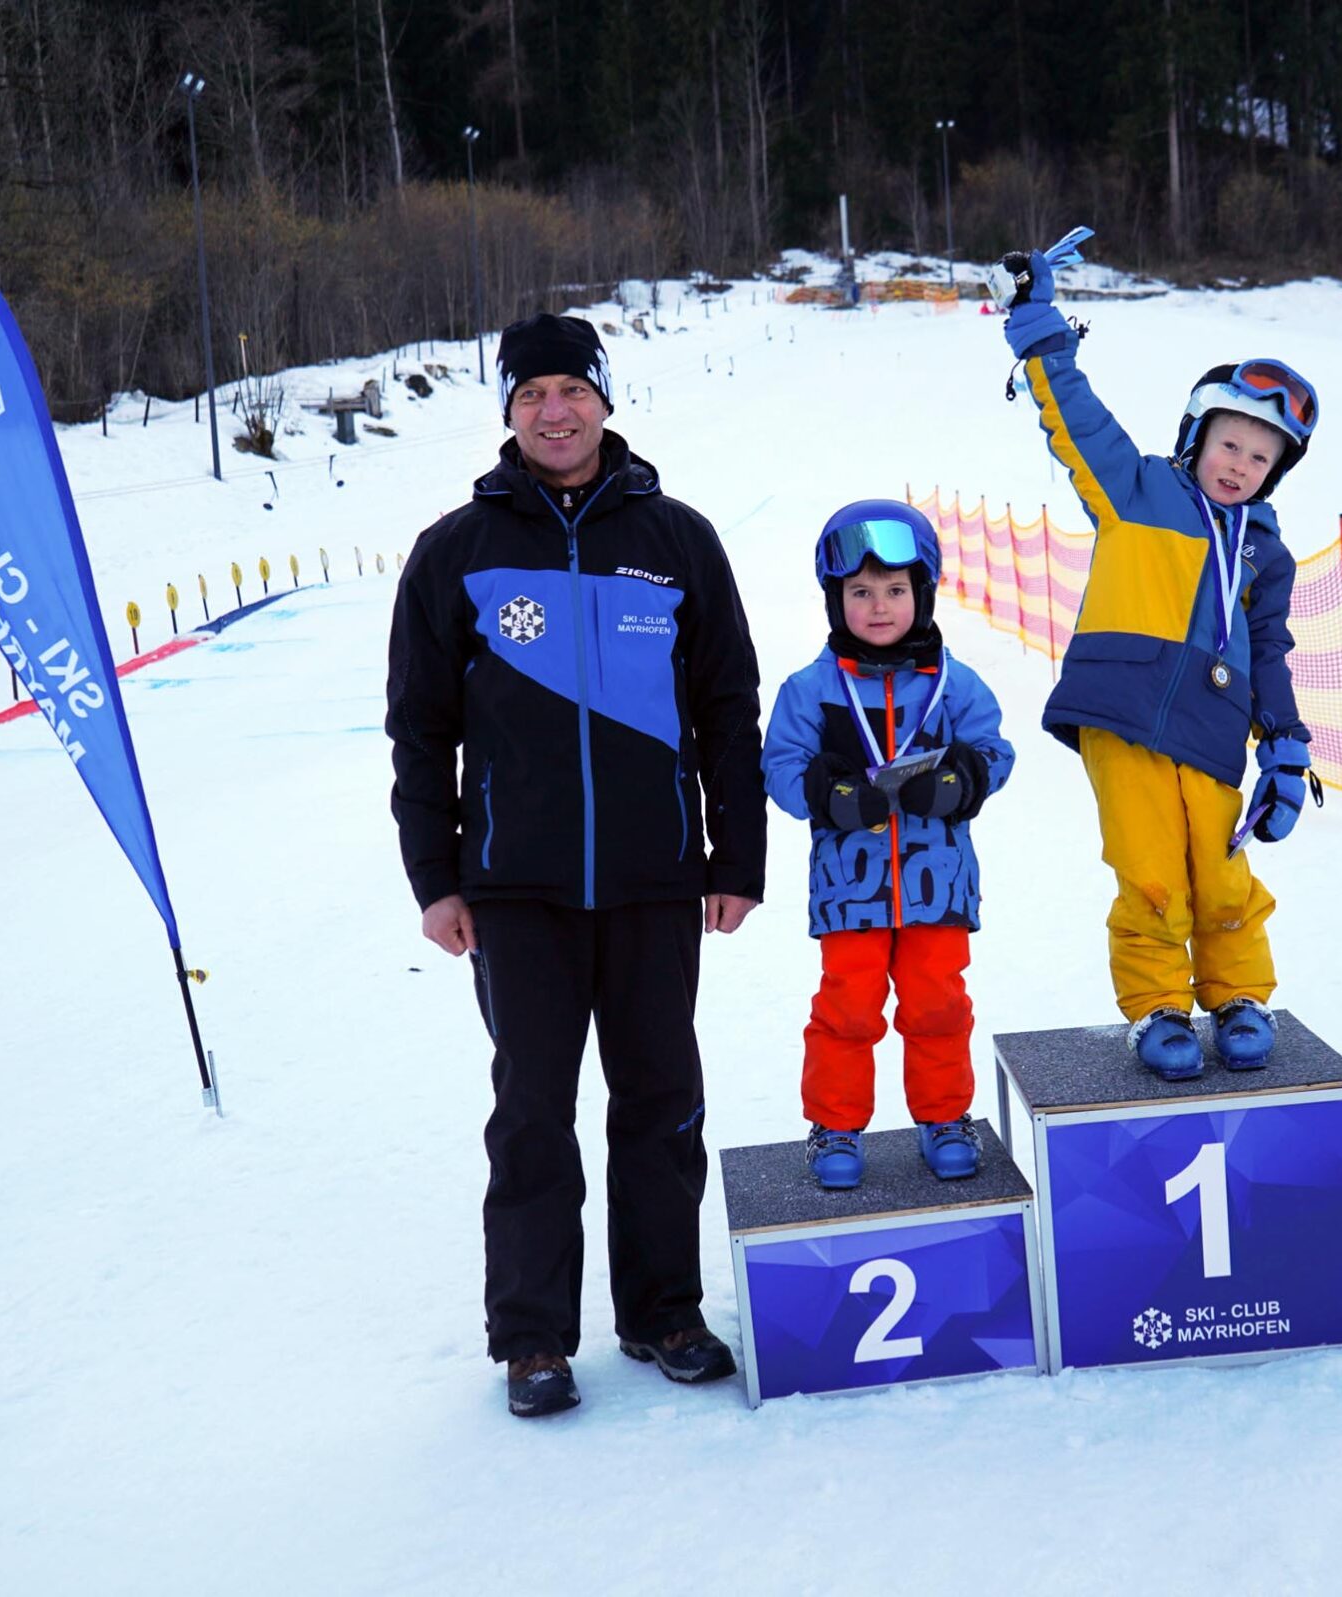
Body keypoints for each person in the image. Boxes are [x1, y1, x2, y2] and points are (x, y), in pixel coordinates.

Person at [385, 311, 766, 1419]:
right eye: (531, 394)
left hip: (656, 877)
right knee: (532, 1113)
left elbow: (727, 708)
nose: (554, 412)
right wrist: (435, 877)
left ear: (605, 399)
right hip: (515, 887)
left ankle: (664, 1312)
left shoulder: (678, 539)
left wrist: (735, 856)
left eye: (572, 391)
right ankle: (534, 1339)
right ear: (508, 410)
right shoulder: (456, 552)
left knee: (662, 1101)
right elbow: (420, 731)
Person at [996, 232, 1322, 1082]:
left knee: (1222, 875)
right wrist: (1037, 323)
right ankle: (1159, 1005)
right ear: (1196, 435)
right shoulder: (1136, 489)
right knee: (1150, 874)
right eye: (1230, 444)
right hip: (1124, 717)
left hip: (1213, 732)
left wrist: (1287, 745)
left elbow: (1270, 651)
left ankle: (1238, 995)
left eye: (1261, 457)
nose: (1241, 466)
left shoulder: (1265, 554)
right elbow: (1074, 417)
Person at [761, 501, 1015, 1190]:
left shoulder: (953, 684)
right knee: (847, 1007)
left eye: (896, 590)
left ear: (922, 594)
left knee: (938, 1004)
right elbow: (780, 767)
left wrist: (962, 780)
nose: (879, 607)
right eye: (861, 591)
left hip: (938, 884)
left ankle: (945, 1117)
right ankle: (835, 1125)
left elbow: (995, 750)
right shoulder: (811, 690)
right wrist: (828, 794)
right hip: (851, 891)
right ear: (834, 598)